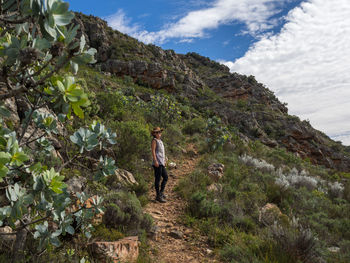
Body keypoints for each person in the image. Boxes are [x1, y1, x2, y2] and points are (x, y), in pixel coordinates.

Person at [151, 127, 168, 203]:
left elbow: (162, 152)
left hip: (161, 162)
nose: (159, 134)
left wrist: (165, 159)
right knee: (157, 179)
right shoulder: (154, 141)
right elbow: (153, 151)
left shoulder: (160, 141)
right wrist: (155, 161)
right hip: (157, 162)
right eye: (157, 132)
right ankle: (158, 196)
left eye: (159, 132)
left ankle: (161, 193)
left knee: (165, 177)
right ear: (154, 134)